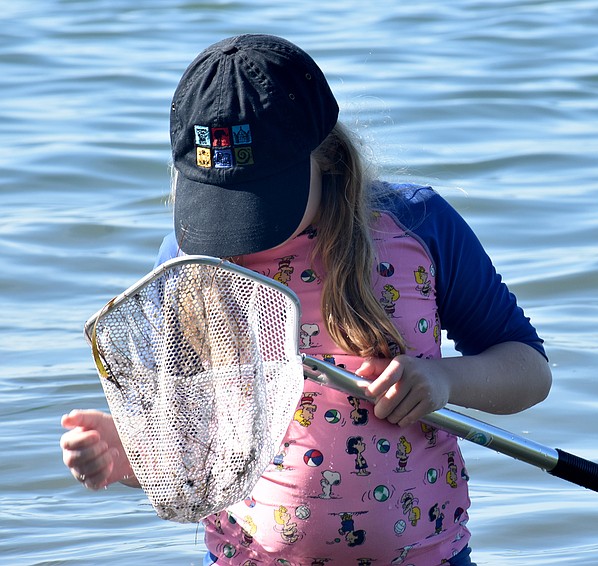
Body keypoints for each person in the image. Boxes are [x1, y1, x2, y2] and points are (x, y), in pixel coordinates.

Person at [60, 34, 552, 565]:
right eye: (221, 207)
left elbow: (529, 370)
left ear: (327, 154)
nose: (244, 234)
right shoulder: (189, 262)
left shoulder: (416, 225)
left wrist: (445, 380)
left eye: (263, 203)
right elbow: (189, 454)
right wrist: (130, 453)